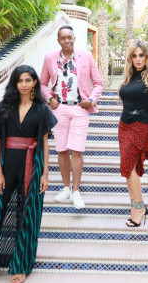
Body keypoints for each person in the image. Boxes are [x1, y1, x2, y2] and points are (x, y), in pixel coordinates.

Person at [0, 65, 57, 283]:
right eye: (20, 80)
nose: (24, 84)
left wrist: (45, 173)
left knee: (28, 215)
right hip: (6, 164)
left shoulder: (42, 109)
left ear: (35, 82)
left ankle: (21, 265)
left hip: (33, 165)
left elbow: (45, 143)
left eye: (28, 80)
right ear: (15, 83)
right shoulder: (3, 107)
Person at [40, 25, 103, 209]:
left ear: (74, 38)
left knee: (77, 150)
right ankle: (66, 188)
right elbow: (42, 84)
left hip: (79, 109)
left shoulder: (86, 57)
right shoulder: (50, 58)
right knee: (61, 149)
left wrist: (91, 100)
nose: (67, 40)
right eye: (63, 38)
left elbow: (98, 83)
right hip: (59, 108)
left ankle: (76, 191)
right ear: (58, 41)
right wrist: (50, 99)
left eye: (69, 37)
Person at [118, 40, 148, 227]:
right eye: (134, 55)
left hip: (141, 124)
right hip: (124, 126)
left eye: (141, 55)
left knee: (129, 167)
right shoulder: (128, 77)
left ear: (147, 56)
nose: (138, 59)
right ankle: (136, 205)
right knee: (130, 168)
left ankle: (138, 208)